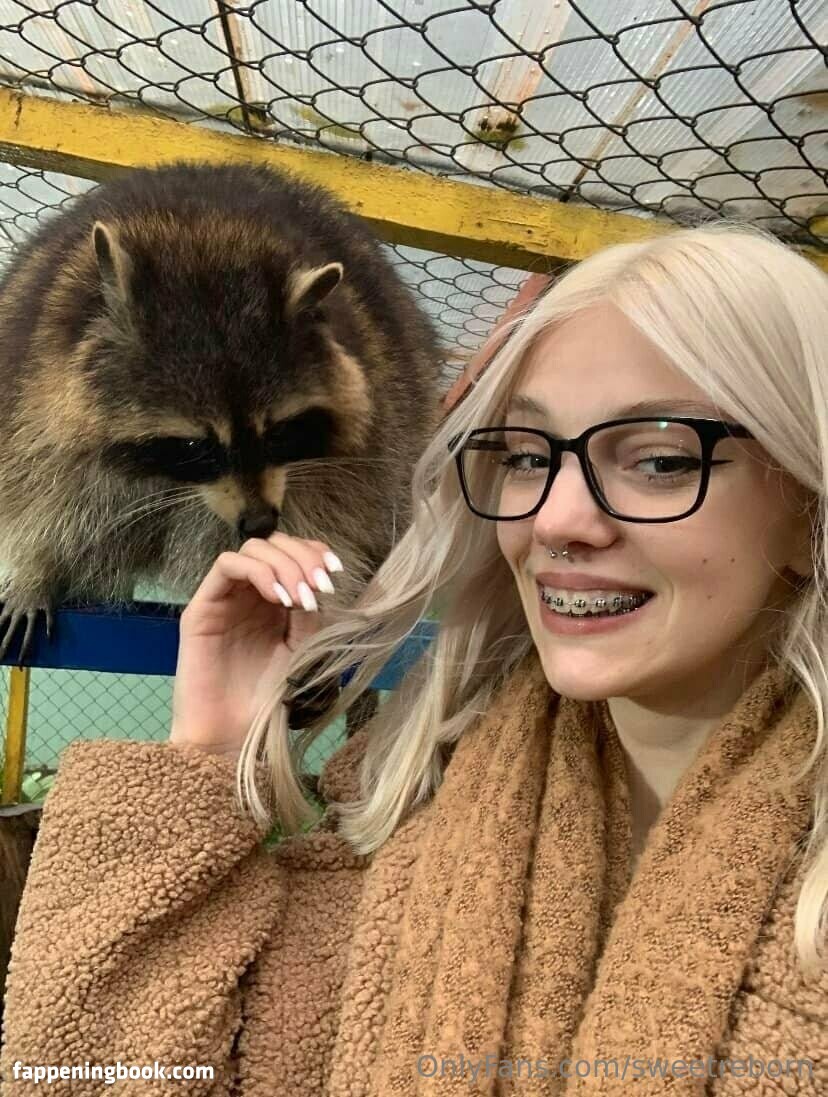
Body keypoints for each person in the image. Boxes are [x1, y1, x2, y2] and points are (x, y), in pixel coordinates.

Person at [1, 221, 826, 1096]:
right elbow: (88, 1071)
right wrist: (207, 754)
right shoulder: (398, 803)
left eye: (659, 460)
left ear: (810, 504)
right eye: (527, 456)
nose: (555, 519)